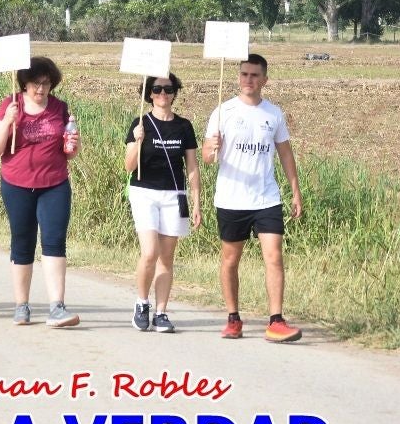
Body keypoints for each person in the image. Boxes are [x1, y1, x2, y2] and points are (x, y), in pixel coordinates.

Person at [202, 54, 304, 343]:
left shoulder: (274, 114)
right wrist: (212, 147)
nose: (249, 79)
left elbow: (285, 152)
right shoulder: (223, 111)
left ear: (265, 80)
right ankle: (233, 318)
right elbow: (208, 158)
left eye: (255, 75)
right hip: (232, 198)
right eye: (245, 74)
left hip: (266, 197)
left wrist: (295, 190)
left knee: (274, 256)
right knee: (231, 261)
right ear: (238, 77)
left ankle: (276, 320)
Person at [0, 56, 80, 327]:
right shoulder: (10, 105)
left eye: (46, 84)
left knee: (54, 241)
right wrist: (7, 122)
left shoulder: (60, 108)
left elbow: (70, 153)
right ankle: (21, 305)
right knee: (22, 241)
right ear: (24, 84)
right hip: (17, 183)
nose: (40, 89)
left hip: (55, 183)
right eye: (35, 84)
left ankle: (57, 306)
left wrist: (74, 144)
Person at [124, 73, 202, 334]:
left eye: (168, 90)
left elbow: (192, 167)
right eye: (156, 90)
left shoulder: (184, 126)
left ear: (175, 93)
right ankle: (142, 303)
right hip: (144, 192)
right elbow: (128, 166)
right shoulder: (140, 123)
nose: (162, 95)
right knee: (150, 253)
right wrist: (137, 142)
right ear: (149, 94)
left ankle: (161, 312)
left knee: (167, 257)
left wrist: (197, 202)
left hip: (174, 195)